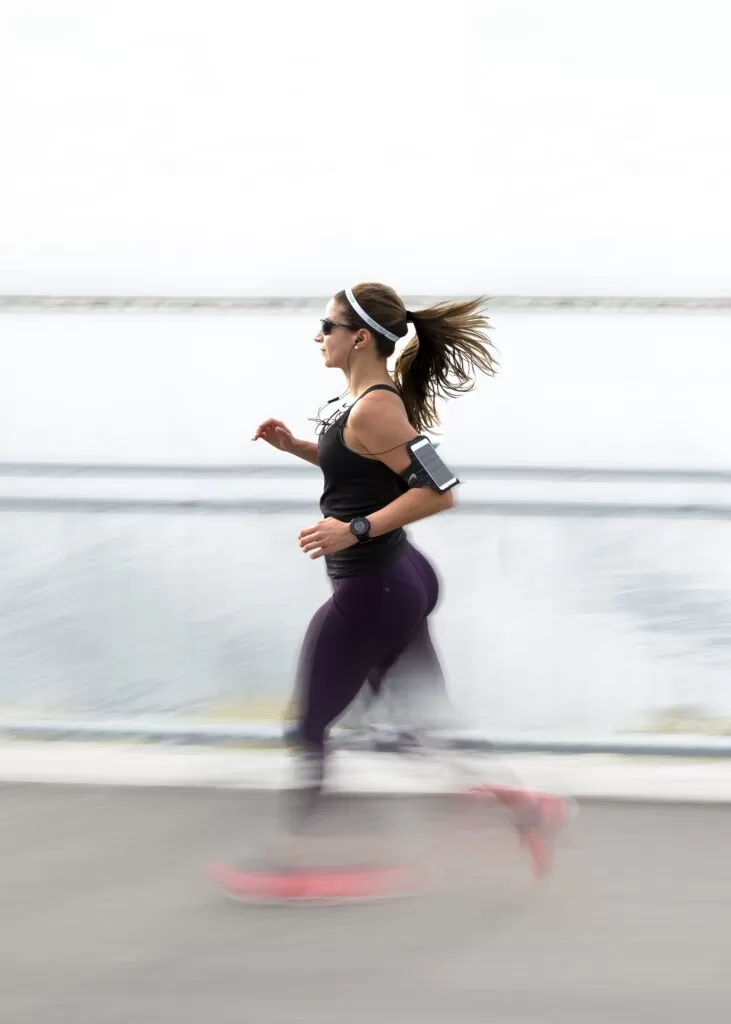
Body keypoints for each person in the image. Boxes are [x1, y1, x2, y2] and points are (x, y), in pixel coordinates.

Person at [210, 283, 569, 902]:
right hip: (399, 580)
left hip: (375, 588)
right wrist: (297, 446)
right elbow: (363, 465)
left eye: (326, 325)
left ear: (358, 337)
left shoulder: (377, 406)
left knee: (310, 728)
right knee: (419, 725)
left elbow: (440, 489)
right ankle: (527, 807)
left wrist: (354, 530)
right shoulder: (364, 403)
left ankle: (301, 864)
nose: (318, 336)